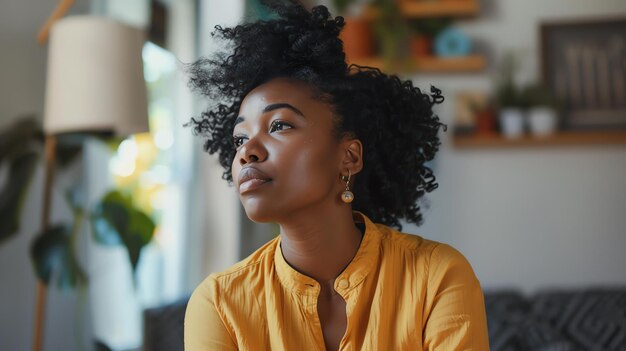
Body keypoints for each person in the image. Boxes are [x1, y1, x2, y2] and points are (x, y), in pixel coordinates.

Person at [184, 2, 489, 350]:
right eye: (240, 138)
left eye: (279, 125)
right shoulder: (219, 303)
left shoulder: (437, 277)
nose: (246, 151)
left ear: (349, 156)